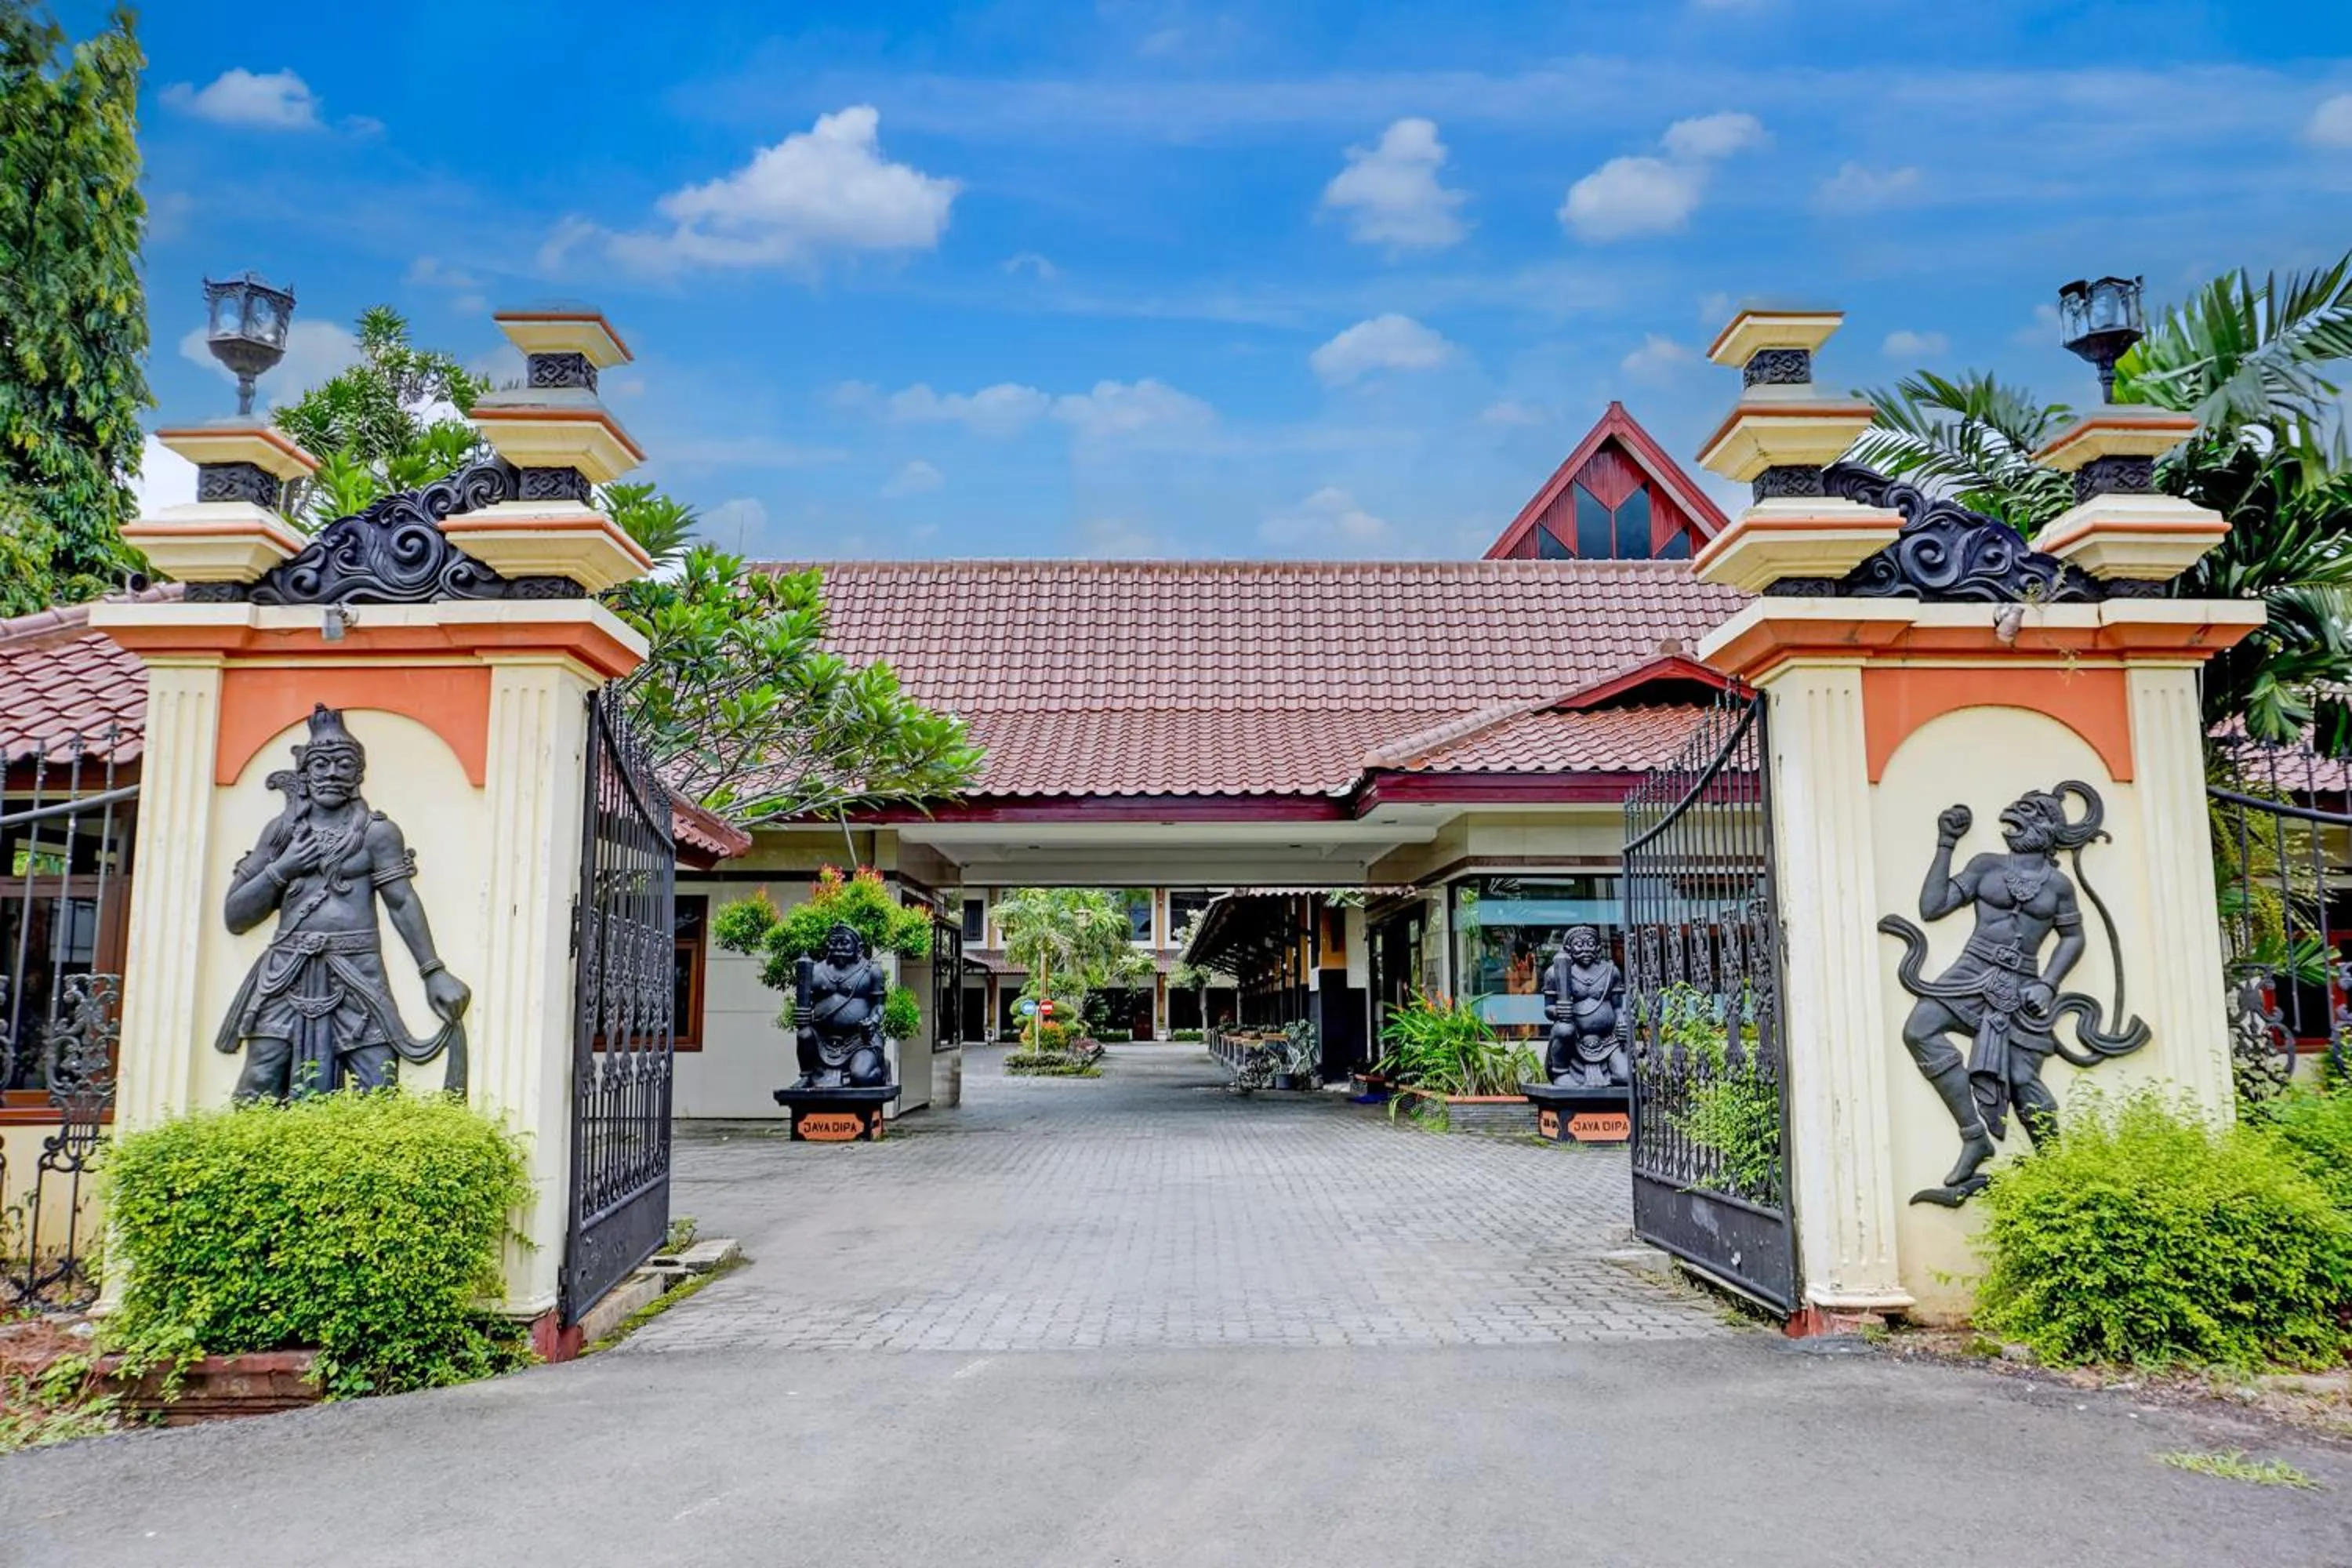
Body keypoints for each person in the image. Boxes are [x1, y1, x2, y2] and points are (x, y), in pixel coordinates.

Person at [216, 705, 470, 1101]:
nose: (332, 773)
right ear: (305, 774)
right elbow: (236, 917)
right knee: (259, 1086)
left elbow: (401, 901)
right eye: (321, 764)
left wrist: (433, 971)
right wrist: (282, 868)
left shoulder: (377, 833)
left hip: (358, 972)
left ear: (358, 775)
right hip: (286, 971)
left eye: (344, 764)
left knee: (379, 1085)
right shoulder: (281, 833)